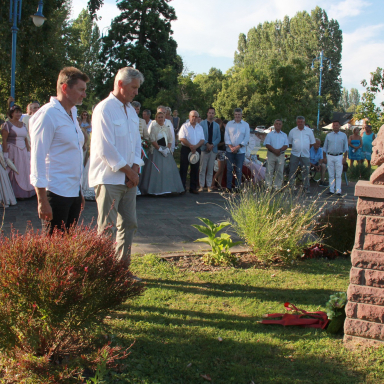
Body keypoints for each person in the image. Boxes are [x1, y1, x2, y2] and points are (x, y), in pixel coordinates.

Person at [89, 67, 144, 267]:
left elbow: (136, 142)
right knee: (107, 228)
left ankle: (121, 270)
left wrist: (136, 168)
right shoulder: (104, 109)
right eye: (133, 87)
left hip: (129, 179)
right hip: (109, 178)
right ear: (120, 84)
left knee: (129, 224)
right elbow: (105, 148)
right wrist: (130, 172)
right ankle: (103, 273)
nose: (136, 92)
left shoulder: (130, 110)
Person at [30, 67, 89, 232]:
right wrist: (42, 199)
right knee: (53, 248)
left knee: (67, 246)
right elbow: (37, 157)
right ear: (65, 88)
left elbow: (73, 153)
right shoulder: (47, 115)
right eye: (81, 90)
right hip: (55, 192)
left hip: (73, 191)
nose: (84, 94)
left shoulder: (72, 113)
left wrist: (79, 191)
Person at [139, 111, 184, 195]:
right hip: (156, 151)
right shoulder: (153, 128)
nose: (160, 119)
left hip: (166, 151)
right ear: (156, 119)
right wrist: (160, 149)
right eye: (158, 117)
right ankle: (155, 190)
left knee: (167, 170)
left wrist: (167, 149)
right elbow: (152, 140)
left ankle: (167, 189)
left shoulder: (167, 128)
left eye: (162, 117)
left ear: (164, 118)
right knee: (156, 170)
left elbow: (170, 139)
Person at [1, 105, 36, 199]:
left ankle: (28, 191)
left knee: (25, 169)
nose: (19, 114)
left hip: (23, 150)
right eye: (16, 112)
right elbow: (4, 140)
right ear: (11, 113)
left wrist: (28, 151)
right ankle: (14, 193)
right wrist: (5, 153)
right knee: (15, 169)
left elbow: (25, 138)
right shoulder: (7, 125)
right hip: (12, 149)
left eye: (20, 112)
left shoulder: (23, 124)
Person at [179, 110, 205, 194]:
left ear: (198, 118)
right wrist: (190, 146)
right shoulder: (184, 126)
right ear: (189, 117)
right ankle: (182, 188)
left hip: (196, 149)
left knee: (195, 168)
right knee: (184, 168)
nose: (194, 118)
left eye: (196, 116)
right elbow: (182, 138)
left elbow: (202, 139)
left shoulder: (200, 127)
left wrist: (195, 147)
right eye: (193, 116)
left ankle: (193, 188)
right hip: (186, 149)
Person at [288, 116, 316, 194]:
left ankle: (306, 187)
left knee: (306, 171)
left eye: (302, 122)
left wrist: (305, 148)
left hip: (305, 154)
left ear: (304, 122)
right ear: (297, 122)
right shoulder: (292, 131)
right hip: (295, 154)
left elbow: (312, 143)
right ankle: (291, 186)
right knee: (292, 170)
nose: (300, 123)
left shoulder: (309, 131)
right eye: (299, 122)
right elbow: (289, 143)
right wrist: (297, 148)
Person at [225, 108, 250, 191]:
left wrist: (237, 147)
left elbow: (246, 138)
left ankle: (237, 187)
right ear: (234, 115)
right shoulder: (229, 124)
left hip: (241, 151)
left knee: (238, 170)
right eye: (236, 114)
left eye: (239, 114)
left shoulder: (245, 125)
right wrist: (231, 147)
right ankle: (228, 187)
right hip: (230, 151)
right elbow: (226, 136)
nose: (237, 116)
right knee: (229, 169)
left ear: (241, 115)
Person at [323, 120, 348, 196]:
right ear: (332, 126)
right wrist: (324, 157)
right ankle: (331, 189)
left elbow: (346, 148)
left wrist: (345, 158)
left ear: (339, 126)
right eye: (334, 125)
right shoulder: (328, 135)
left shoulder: (343, 135)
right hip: (330, 156)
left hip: (339, 156)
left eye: (337, 125)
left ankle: (338, 190)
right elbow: (325, 147)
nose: (335, 126)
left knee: (338, 174)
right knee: (331, 174)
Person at [198, 107, 221, 192]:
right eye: (209, 113)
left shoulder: (217, 125)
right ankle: (201, 185)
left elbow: (219, 137)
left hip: (213, 149)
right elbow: (201, 136)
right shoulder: (202, 124)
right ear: (207, 113)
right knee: (202, 168)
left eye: (212, 113)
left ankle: (209, 186)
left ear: (214, 114)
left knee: (210, 168)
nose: (211, 114)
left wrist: (212, 145)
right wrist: (207, 144)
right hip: (204, 148)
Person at [264, 119, 289, 190]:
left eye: (279, 124)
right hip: (271, 154)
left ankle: (277, 187)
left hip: (280, 154)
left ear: (281, 125)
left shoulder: (284, 135)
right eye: (277, 124)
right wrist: (274, 150)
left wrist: (280, 150)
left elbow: (286, 145)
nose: (278, 125)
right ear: (274, 125)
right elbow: (267, 144)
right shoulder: (270, 134)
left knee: (280, 171)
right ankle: (268, 186)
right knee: (269, 171)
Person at [213, 118, 227, 187]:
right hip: (220, 150)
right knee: (220, 168)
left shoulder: (222, 131)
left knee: (222, 169)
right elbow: (217, 144)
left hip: (224, 150)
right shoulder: (217, 132)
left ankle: (219, 184)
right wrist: (224, 142)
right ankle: (213, 183)